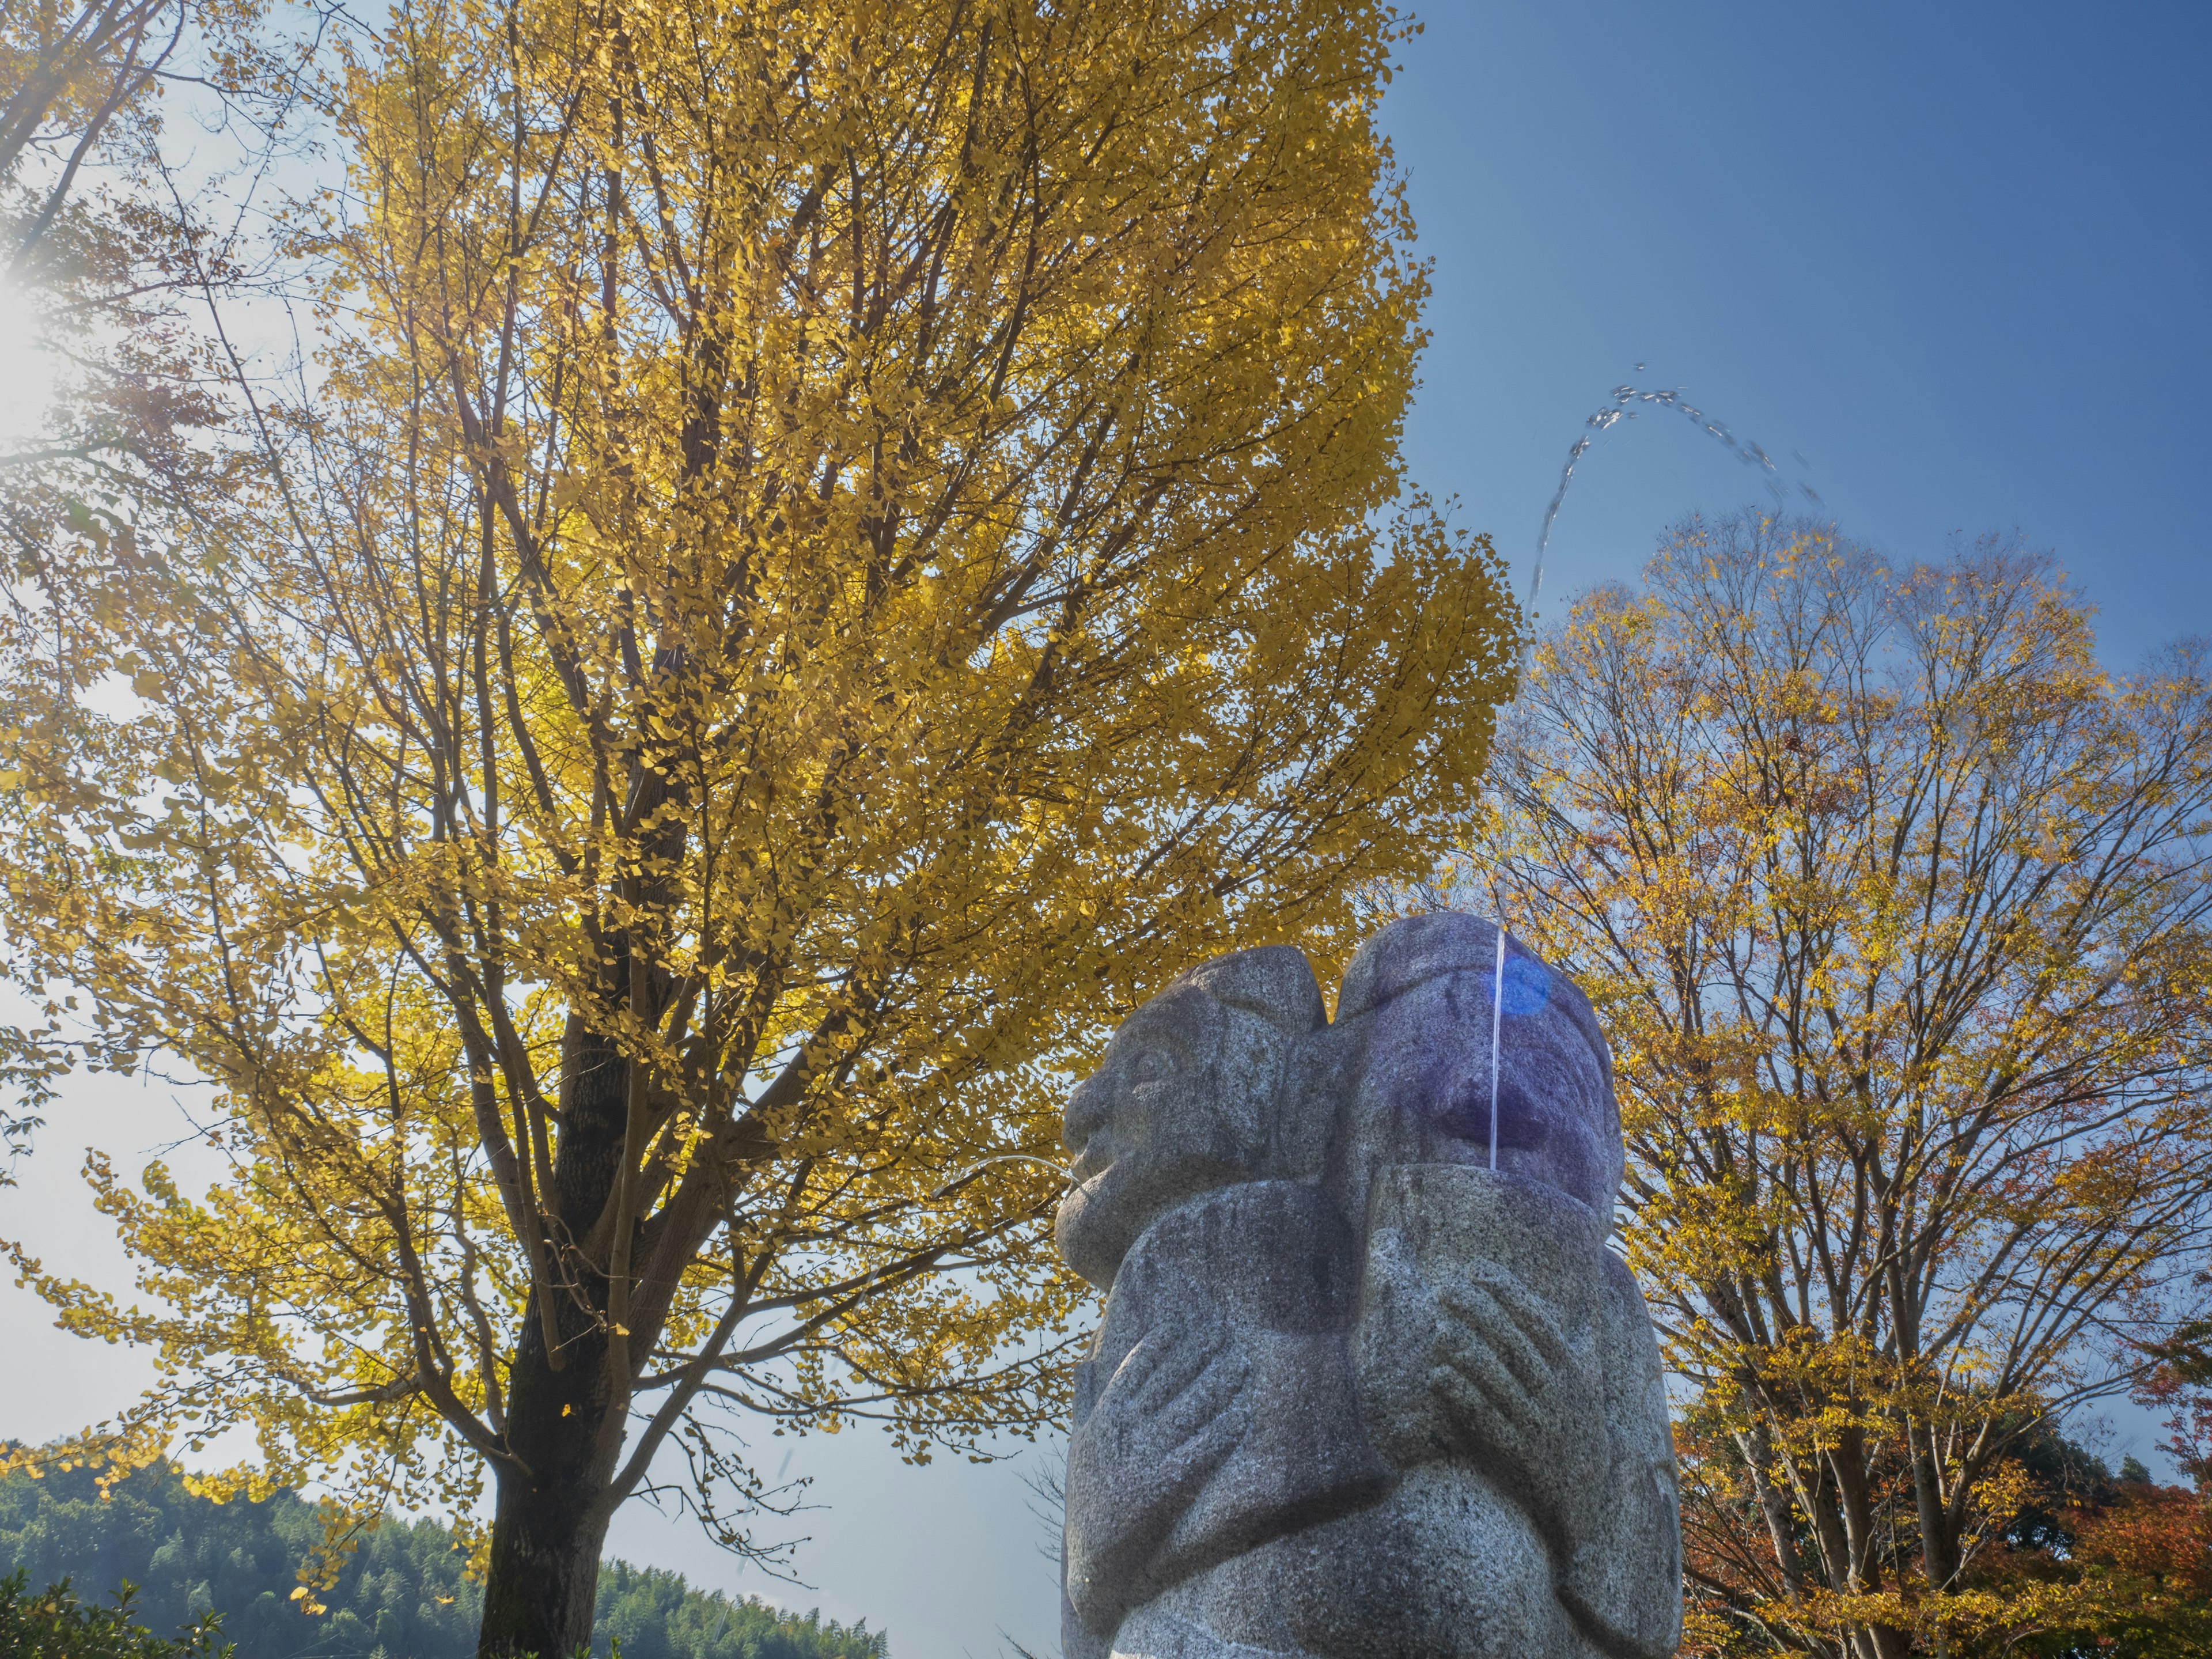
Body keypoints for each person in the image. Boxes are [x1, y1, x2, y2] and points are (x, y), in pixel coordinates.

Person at [1060, 918, 1681, 1659]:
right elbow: (1096, 1569)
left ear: (1610, 1151)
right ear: (1327, 1095)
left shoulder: (1608, 1308)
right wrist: (1351, 1396)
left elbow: (1654, 1608)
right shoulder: (1225, 1242)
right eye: (1427, 1053)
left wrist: (1585, 1472)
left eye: (1554, 1076)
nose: (1490, 1093)